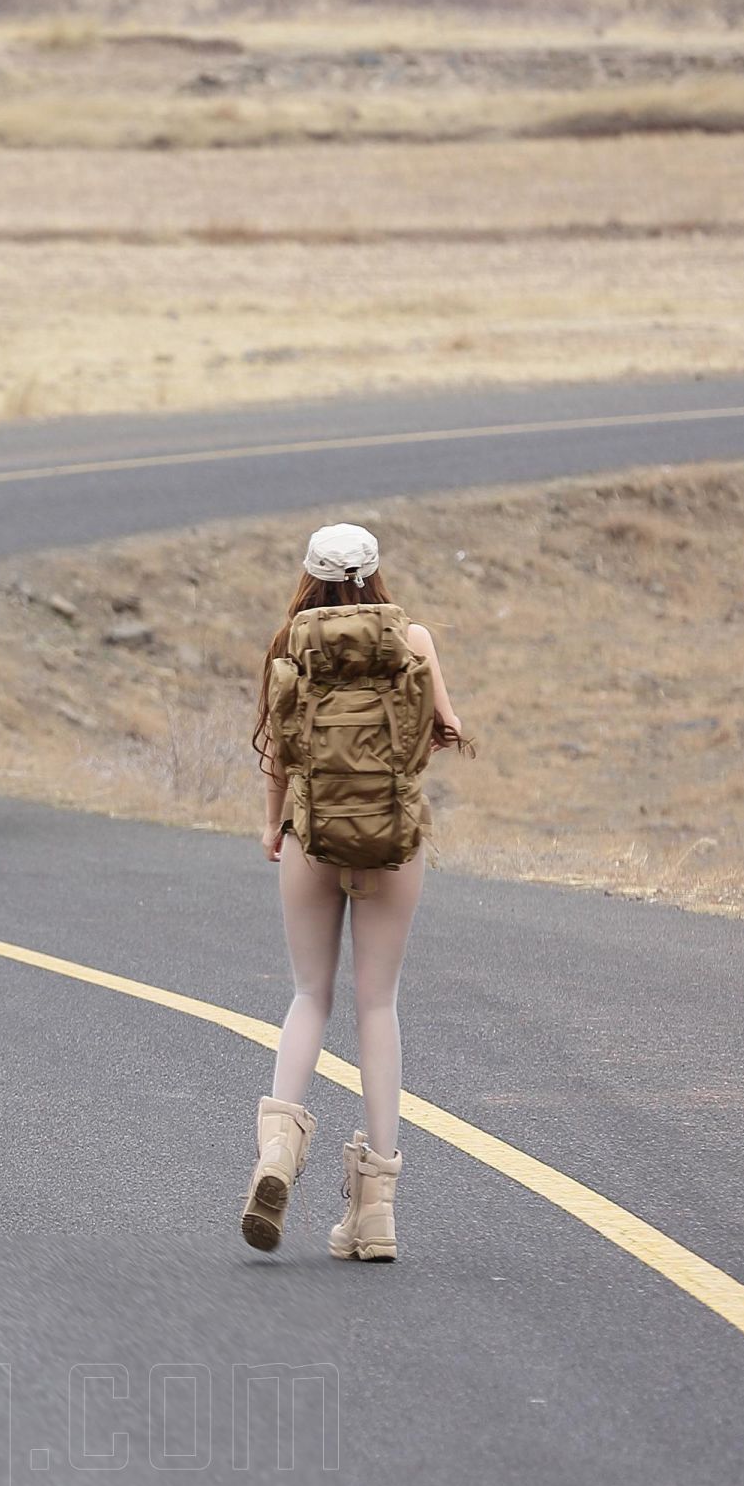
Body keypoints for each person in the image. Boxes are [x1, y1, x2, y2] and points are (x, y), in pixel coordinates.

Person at [239, 523, 467, 1261]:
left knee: (311, 994)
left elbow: (278, 753)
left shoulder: (287, 645)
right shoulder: (417, 641)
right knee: (378, 1002)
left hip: (313, 834)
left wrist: (275, 826)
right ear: (375, 573)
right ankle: (374, 1216)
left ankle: (277, 1151)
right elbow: (447, 728)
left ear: (309, 575)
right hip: (391, 841)